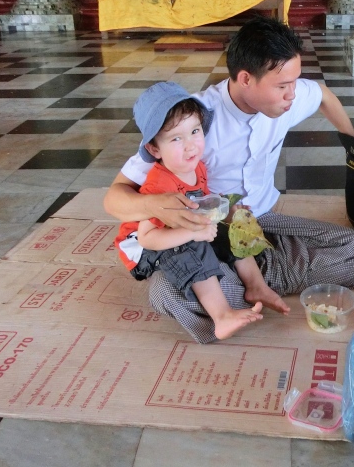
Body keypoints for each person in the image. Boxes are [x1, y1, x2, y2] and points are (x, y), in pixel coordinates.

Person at [104, 16, 354, 343]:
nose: (292, 95)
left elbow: (321, 94)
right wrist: (156, 205)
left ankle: (252, 280)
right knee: (170, 293)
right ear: (246, 79)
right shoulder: (190, 122)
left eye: (295, 82)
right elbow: (114, 198)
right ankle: (247, 279)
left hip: (261, 221)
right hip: (211, 231)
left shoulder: (285, 99)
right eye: (282, 86)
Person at [115, 82, 292, 340]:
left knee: (227, 228)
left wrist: (230, 211)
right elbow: (148, 237)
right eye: (176, 138)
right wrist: (193, 234)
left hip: (178, 227)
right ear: (154, 149)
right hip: (145, 249)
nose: (190, 145)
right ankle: (221, 316)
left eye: (195, 131)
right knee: (191, 245)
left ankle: (256, 286)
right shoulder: (159, 186)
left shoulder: (196, 167)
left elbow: (202, 201)